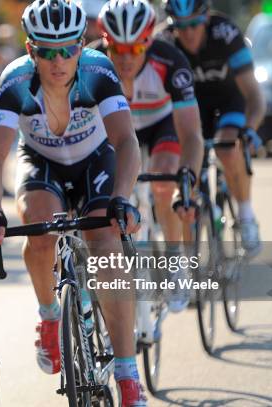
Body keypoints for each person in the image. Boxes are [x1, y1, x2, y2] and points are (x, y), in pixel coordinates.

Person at [0, 0, 147, 405]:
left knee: (105, 242)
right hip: (42, 165)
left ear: (82, 44)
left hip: (95, 161)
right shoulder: (15, 80)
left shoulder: (98, 71)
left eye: (68, 49)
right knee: (38, 229)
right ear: (30, 49)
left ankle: (127, 374)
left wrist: (121, 200)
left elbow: (126, 142)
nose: (58, 61)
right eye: (46, 51)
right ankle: (50, 315)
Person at [96, 0, 204, 311]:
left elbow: (192, 135)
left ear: (149, 42)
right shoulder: (92, 62)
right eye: (117, 49)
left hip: (161, 124)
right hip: (116, 130)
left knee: (163, 183)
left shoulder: (170, 61)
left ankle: (174, 263)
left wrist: (188, 181)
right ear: (106, 43)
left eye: (135, 50)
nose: (125, 58)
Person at [161, 0, 266, 256]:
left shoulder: (226, 34)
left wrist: (250, 129)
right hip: (192, 108)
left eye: (194, 24)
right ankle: (189, 254)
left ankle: (246, 215)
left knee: (228, 148)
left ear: (206, 18)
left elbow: (254, 96)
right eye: (180, 26)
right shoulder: (163, 41)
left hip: (229, 99)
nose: (188, 33)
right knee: (186, 166)